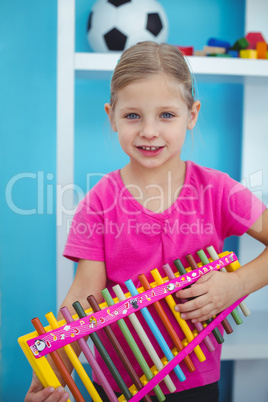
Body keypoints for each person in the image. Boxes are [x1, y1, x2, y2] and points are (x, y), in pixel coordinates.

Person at [25, 41, 268, 402]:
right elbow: (84, 295)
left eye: (166, 115)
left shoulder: (218, 190)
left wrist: (237, 285)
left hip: (196, 383)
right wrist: (45, 381)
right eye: (133, 116)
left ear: (192, 115)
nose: (149, 131)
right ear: (111, 117)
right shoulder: (98, 202)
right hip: (119, 385)